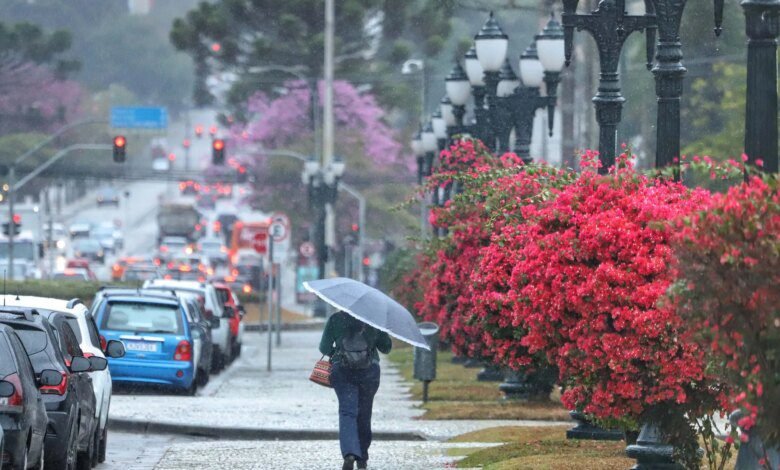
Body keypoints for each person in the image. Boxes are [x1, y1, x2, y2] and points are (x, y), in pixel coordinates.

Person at [319, 310, 392, 470]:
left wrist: (338, 354)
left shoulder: (335, 319)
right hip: (369, 371)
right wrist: (382, 329)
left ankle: (350, 453)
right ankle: (362, 458)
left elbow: (324, 347)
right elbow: (386, 348)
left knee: (347, 412)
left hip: (342, 370)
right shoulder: (373, 318)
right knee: (364, 413)